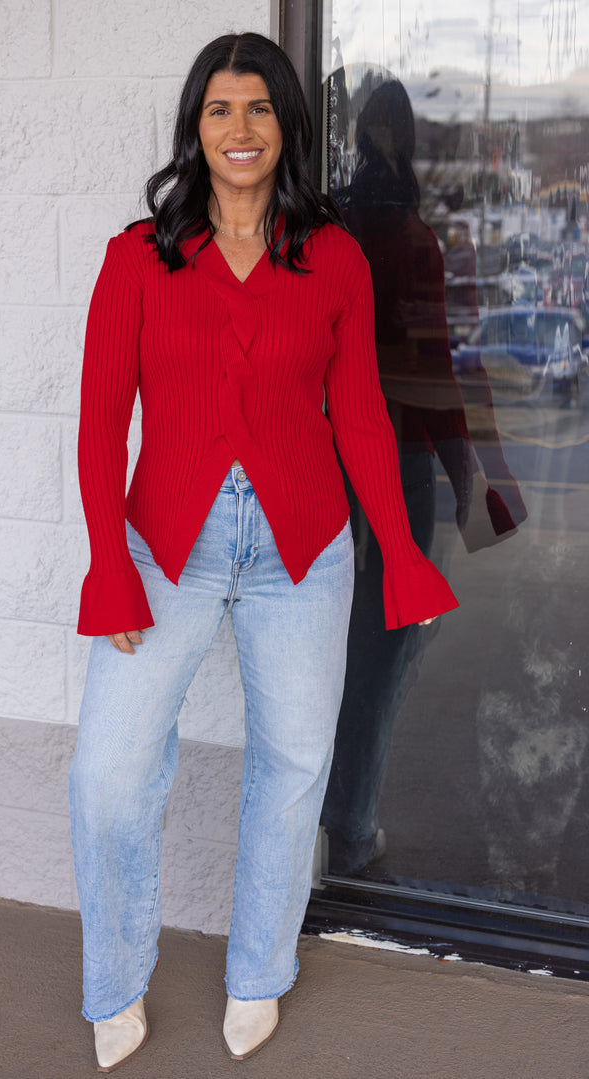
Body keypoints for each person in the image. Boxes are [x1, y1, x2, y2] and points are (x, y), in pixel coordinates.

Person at [69, 33, 458, 1072]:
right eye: (218, 111)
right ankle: (114, 978)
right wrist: (109, 564)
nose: (239, 131)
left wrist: (404, 554)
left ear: (287, 126)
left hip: (305, 547)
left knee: (292, 767)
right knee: (109, 772)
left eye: (259, 110)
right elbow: (102, 421)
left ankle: (259, 971)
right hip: (164, 550)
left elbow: (364, 416)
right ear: (194, 129)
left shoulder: (331, 256)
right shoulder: (136, 258)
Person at [321, 79, 526, 876]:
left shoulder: (329, 227)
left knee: (329, 644)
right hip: (394, 465)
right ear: (406, 141)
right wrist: (476, 486)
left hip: (324, 458)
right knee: (387, 645)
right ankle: (352, 823)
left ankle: (329, 816)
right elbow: (437, 372)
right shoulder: (409, 239)